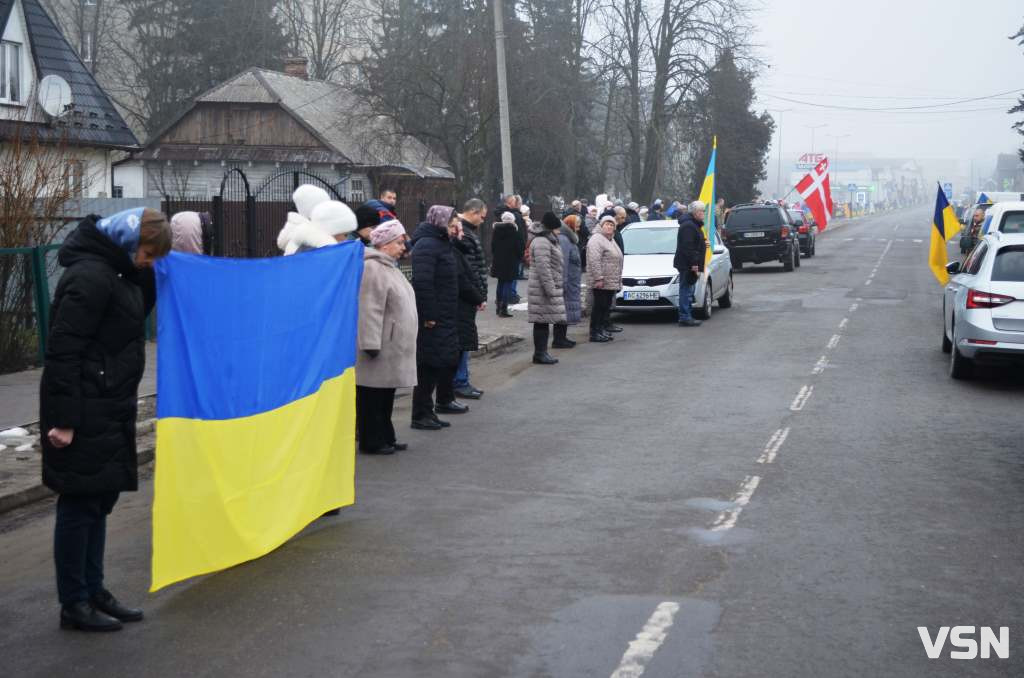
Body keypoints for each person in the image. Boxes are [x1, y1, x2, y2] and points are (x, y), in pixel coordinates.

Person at [41, 208, 172, 632]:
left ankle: (93, 590)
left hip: (109, 403)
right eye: (148, 254)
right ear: (129, 244)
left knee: (98, 501)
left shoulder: (119, 273)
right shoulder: (90, 277)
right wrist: (63, 420)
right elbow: (63, 351)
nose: (150, 263)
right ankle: (73, 602)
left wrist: (152, 272)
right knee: (80, 504)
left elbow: (135, 311)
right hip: (83, 409)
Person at [356, 220, 417, 454]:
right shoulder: (373, 268)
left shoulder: (389, 266)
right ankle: (372, 441)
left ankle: (386, 436)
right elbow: (370, 308)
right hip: (379, 346)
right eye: (400, 242)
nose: (404, 247)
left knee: (385, 395)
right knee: (372, 397)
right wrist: (370, 343)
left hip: (391, 346)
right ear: (385, 244)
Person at [409, 205, 461, 430]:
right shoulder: (427, 245)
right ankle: (420, 414)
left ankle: (427, 411)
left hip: (445, 312)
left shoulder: (441, 243)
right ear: (439, 223)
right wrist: (429, 315)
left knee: (437, 362)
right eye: (450, 225)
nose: (453, 229)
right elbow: (423, 283)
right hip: (434, 316)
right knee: (428, 365)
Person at [452, 199, 489, 399]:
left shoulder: (464, 231)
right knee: (463, 340)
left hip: (469, 293)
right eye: (482, 216)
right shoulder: (463, 233)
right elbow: (468, 269)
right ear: (473, 212)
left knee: (464, 339)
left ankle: (460, 380)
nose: (483, 221)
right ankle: (459, 381)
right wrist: (478, 295)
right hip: (465, 295)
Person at [528, 212, 566, 364]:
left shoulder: (548, 240)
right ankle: (539, 353)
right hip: (542, 289)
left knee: (543, 320)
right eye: (557, 228)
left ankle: (542, 352)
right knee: (541, 321)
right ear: (551, 228)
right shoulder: (542, 242)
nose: (559, 230)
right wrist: (551, 289)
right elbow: (544, 268)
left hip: (544, 287)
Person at [586, 215, 623, 343]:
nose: (609, 227)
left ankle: (601, 329)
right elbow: (594, 260)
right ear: (601, 225)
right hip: (601, 281)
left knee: (605, 306)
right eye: (607, 224)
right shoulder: (597, 239)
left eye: (612, 225)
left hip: (610, 280)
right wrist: (598, 278)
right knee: (599, 307)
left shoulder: (610, 239)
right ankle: (594, 332)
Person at [674, 200, 708, 327]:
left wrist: (704, 244)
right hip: (687, 264)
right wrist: (694, 263)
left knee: (688, 289)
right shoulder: (688, 226)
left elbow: (695, 242)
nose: (703, 213)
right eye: (702, 211)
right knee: (686, 290)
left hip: (689, 263)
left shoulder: (693, 224)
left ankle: (687, 315)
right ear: (695, 212)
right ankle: (685, 317)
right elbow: (688, 247)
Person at [554, 214, 583, 348]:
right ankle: (558, 339)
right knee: (563, 311)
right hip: (567, 282)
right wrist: (563, 283)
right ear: (570, 224)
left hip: (571, 282)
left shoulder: (569, 239)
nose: (579, 226)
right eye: (577, 223)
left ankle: (562, 337)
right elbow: (563, 263)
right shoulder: (564, 240)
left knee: (566, 311)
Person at [491, 211, 522, 318]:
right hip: (511, 261)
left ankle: (498, 307)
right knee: (508, 283)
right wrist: (519, 257)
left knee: (500, 282)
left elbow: (493, 246)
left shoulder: (496, 230)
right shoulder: (515, 231)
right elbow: (519, 248)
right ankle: (503, 309)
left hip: (499, 261)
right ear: (512, 220)